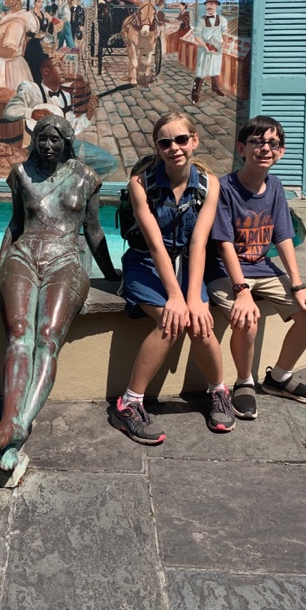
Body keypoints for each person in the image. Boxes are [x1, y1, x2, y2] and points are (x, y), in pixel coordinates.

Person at [0, 115, 119, 472]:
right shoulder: (20, 174)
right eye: (41, 139)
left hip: (66, 259)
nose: (47, 145)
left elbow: (93, 230)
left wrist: (110, 274)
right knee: (19, 334)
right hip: (24, 255)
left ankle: (15, 428)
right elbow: (16, 223)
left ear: (67, 142)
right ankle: (11, 423)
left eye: (54, 140)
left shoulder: (87, 178)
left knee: (47, 336)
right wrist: (0, 263)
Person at [108, 114, 236, 444]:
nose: (174, 148)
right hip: (146, 264)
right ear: (157, 147)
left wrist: (193, 297)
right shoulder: (141, 185)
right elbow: (154, 246)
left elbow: (198, 243)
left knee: (200, 322)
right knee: (171, 321)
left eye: (181, 140)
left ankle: (218, 392)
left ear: (194, 141)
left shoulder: (209, 184)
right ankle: (128, 404)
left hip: (188, 264)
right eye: (165, 142)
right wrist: (175, 298)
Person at [207, 116, 306, 420]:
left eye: (273, 143)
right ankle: (244, 381)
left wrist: (298, 286)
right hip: (225, 271)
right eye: (257, 142)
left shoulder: (275, 187)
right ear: (241, 148)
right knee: (247, 320)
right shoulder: (224, 188)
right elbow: (224, 244)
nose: (265, 148)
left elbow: (283, 237)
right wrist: (241, 291)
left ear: (281, 152)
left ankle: (279, 378)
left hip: (262, 267)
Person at [2, 57, 118, 178]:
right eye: (58, 66)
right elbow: (8, 111)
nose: (63, 70)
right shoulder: (31, 90)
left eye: (63, 66)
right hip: (39, 147)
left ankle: (69, 179)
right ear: (46, 71)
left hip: (64, 146)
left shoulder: (66, 96)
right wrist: (30, 113)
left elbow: (72, 128)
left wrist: (89, 113)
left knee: (109, 163)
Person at [191, 0, 226, 104]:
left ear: (216, 5)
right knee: (200, 72)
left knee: (215, 69)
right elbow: (196, 35)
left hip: (217, 49)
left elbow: (225, 33)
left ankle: (215, 88)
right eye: (207, 4)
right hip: (204, 49)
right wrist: (205, 46)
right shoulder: (201, 20)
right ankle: (195, 94)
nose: (208, 7)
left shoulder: (223, 20)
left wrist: (224, 42)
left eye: (211, 4)